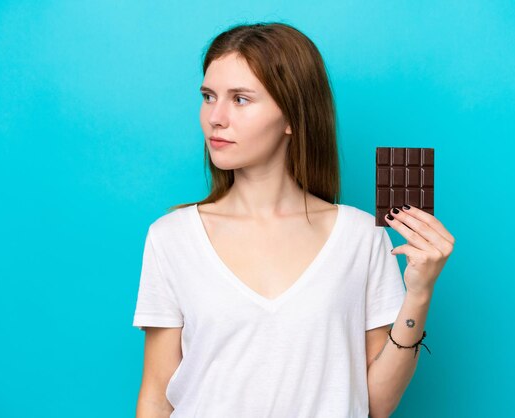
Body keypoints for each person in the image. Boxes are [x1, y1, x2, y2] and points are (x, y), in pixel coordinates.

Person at [133, 22, 455, 418]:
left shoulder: (359, 237)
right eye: (208, 96)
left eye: (240, 99)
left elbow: (378, 403)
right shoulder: (172, 238)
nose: (215, 117)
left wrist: (419, 294)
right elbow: (155, 395)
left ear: (291, 117)